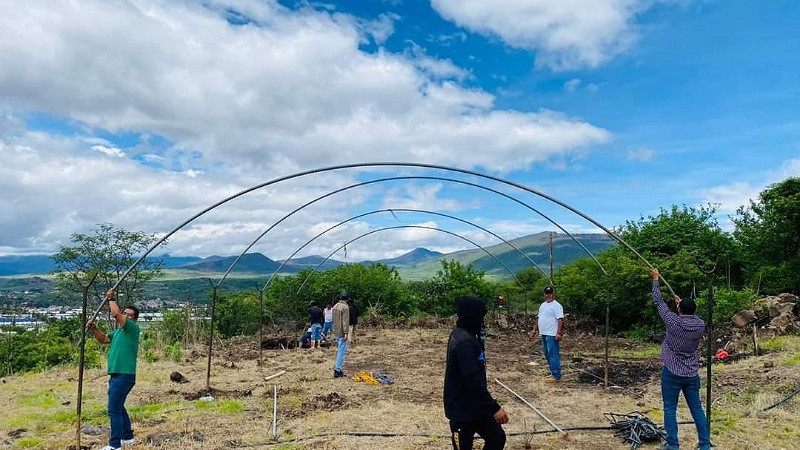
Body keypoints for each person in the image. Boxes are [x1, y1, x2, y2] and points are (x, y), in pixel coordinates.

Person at [650, 268, 710, 450]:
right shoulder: (700, 325)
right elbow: (691, 316)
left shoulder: (673, 321)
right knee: (697, 409)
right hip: (691, 373)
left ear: (679, 309)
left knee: (670, 408)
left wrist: (655, 280)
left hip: (672, 372)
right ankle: (705, 445)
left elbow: (658, 302)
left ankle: (673, 445)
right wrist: (681, 306)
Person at [444, 296, 509, 450]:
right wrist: (494, 407)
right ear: (473, 316)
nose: (483, 322)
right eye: (481, 317)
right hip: (461, 411)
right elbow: (471, 380)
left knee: (497, 437)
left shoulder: (461, 334)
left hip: (475, 406)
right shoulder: (465, 342)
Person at [87, 289, 140, 450]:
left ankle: (115, 445)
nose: (126, 315)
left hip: (124, 375)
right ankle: (128, 437)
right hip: (117, 375)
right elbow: (103, 339)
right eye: (125, 313)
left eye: (129, 314)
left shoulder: (132, 329)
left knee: (113, 410)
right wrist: (94, 329)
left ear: (135, 319)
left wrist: (111, 298)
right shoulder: (118, 332)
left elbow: (116, 314)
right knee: (118, 407)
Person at [530, 285, 564, 383]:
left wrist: (559, 332)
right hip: (544, 333)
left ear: (553, 294)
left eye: (550, 293)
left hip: (552, 334)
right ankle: (553, 372)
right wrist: (534, 329)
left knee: (553, 354)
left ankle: (556, 375)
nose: (549, 295)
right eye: (547, 293)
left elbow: (560, 319)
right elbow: (538, 318)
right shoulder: (543, 305)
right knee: (547, 353)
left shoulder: (557, 306)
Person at [332, 291, 350, 378]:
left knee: (339, 349)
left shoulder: (335, 306)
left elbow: (333, 319)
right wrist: (346, 332)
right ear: (348, 298)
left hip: (336, 331)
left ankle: (338, 369)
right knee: (341, 351)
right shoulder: (345, 307)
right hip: (342, 332)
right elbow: (345, 321)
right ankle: (338, 370)